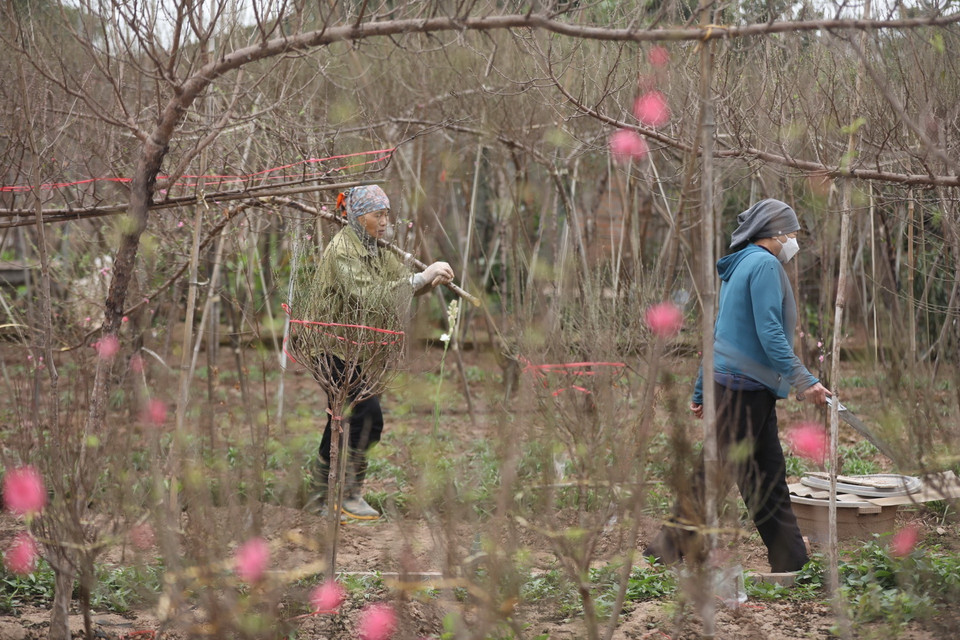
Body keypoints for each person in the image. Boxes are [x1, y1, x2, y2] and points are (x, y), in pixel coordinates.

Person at [644, 198, 831, 573]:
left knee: (765, 478)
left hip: (742, 388)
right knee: (714, 475)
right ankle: (666, 550)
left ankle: (792, 561)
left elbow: (720, 332)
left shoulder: (742, 263)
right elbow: (770, 333)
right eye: (793, 234)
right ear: (777, 233)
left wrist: (702, 389)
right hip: (745, 390)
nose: (794, 241)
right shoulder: (764, 265)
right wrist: (804, 380)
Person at [303, 184, 454, 520]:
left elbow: (399, 286)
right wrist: (421, 278)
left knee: (342, 417)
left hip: (353, 348)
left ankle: (322, 496)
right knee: (366, 415)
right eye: (378, 215)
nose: (385, 221)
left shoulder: (376, 248)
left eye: (387, 214)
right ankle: (346, 495)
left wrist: (429, 279)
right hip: (329, 344)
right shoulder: (343, 250)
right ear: (359, 217)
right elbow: (370, 296)